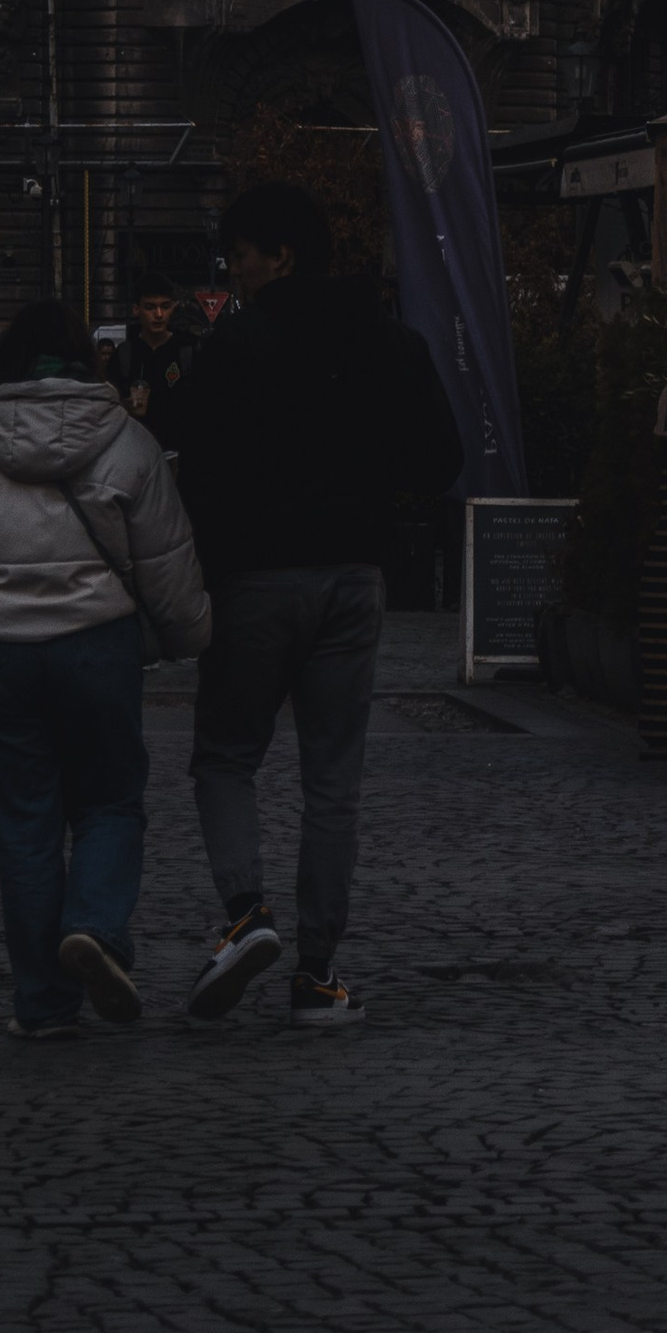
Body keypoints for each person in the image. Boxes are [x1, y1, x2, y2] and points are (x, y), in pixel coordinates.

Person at [160, 182, 461, 1033]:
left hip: (256, 577)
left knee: (224, 755)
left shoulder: (237, 344)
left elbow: (197, 466)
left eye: (242, 256)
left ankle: (247, 912)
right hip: (355, 576)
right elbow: (441, 458)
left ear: (280, 256)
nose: (236, 271)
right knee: (334, 777)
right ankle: (318, 973)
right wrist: (372, 492)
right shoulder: (387, 339)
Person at [0, 297, 210, 1038]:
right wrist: (192, 634)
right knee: (110, 801)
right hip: (99, 647)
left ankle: (41, 1003)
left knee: (25, 829)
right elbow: (166, 559)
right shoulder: (127, 441)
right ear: (86, 357)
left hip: (0, 657)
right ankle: (94, 925)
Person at [108, 284, 200, 429]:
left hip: (178, 444)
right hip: (137, 441)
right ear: (136, 309)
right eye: (150, 307)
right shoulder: (124, 354)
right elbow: (109, 404)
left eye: (165, 306)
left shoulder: (188, 350)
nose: (158, 314)